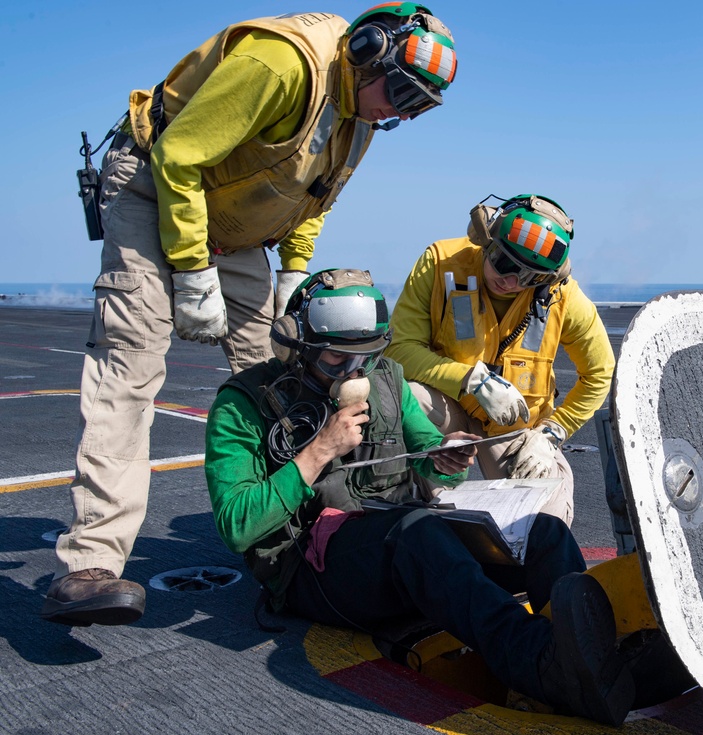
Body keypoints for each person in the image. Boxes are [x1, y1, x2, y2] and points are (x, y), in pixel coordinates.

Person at [42, 4, 458, 626]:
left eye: (418, 106)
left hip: (237, 228)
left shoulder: (362, 121)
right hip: (155, 190)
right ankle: (91, 564)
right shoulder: (281, 62)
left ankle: (291, 525)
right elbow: (179, 156)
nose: (400, 109)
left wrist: (293, 271)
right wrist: (190, 269)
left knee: (286, 367)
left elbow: (317, 196)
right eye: (399, 90)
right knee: (129, 373)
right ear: (368, 48)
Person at [201, 268, 635, 726]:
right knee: (418, 533)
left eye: (365, 357)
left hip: (398, 545)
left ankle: (594, 655)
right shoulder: (243, 404)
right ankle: (539, 662)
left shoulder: (386, 378)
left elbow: (424, 447)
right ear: (295, 347)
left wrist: (445, 456)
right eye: (335, 360)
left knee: (542, 532)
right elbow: (236, 526)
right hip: (311, 568)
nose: (354, 372)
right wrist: (318, 452)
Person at [384, 194, 615, 525]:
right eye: (504, 263)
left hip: (517, 426)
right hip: (448, 405)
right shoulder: (439, 264)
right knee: (405, 399)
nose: (511, 282)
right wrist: (470, 381)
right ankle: (424, 514)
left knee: (546, 523)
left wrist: (551, 433)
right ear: (484, 240)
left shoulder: (562, 296)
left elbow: (600, 372)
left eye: (530, 277)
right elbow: (399, 350)